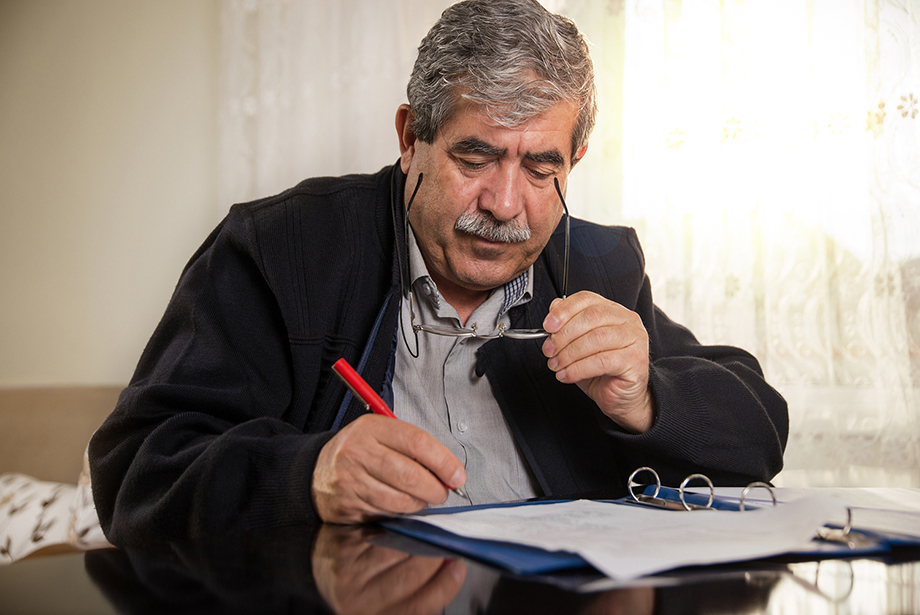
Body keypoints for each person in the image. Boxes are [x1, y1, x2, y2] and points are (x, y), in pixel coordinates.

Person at [89, 0, 788, 544]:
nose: (505, 205)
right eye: (474, 158)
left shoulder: (600, 265)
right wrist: (307, 475)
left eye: (543, 168)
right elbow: (134, 470)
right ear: (409, 138)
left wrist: (647, 398)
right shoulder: (280, 249)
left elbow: (761, 428)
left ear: (575, 159)